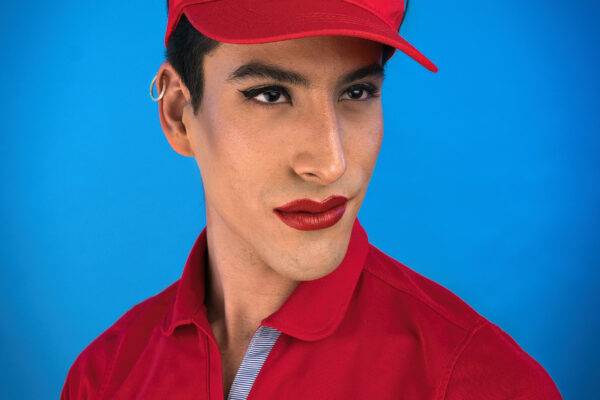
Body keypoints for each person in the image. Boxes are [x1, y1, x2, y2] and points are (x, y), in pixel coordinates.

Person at [61, 0, 562, 399]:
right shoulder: (103, 377)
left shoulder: (481, 382)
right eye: (270, 94)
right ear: (177, 114)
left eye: (358, 91)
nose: (331, 163)